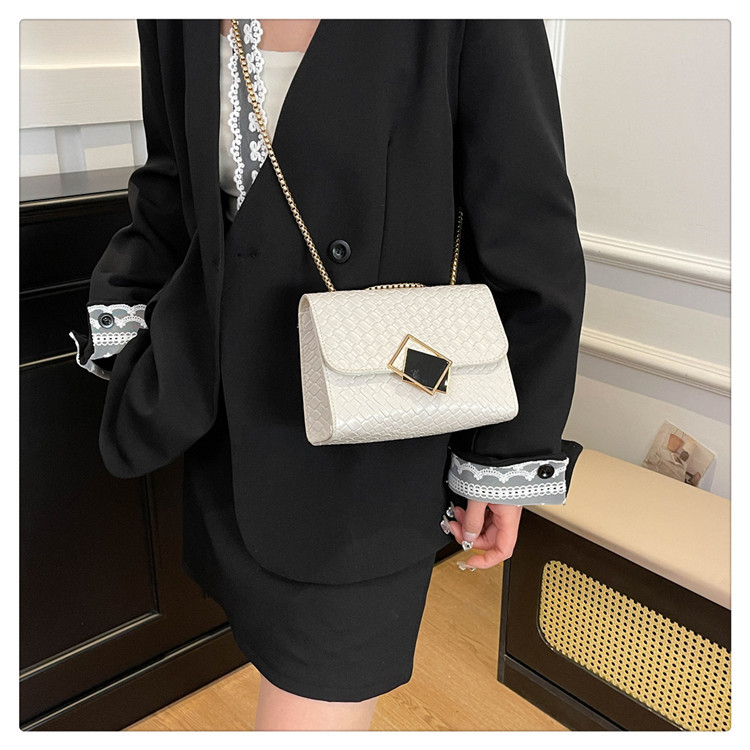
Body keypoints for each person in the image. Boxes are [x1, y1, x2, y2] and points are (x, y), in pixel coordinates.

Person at [69, 19, 586, 731]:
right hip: (225, 424)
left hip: (374, 440)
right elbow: (172, 184)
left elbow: (529, 225)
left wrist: (505, 456)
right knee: (272, 660)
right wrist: (127, 324)